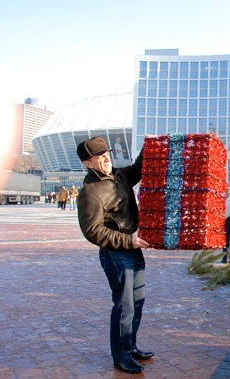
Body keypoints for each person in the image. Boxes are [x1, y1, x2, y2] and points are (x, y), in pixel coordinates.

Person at [75, 136, 153, 374]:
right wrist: (127, 240)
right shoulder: (89, 192)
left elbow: (139, 168)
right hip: (115, 253)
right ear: (88, 163)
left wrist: (148, 147)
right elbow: (92, 231)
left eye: (107, 154)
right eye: (100, 156)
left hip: (133, 248)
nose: (106, 158)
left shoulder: (119, 176)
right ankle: (121, 355)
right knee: (124, 305)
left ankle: (130, 346)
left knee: (137, 301)